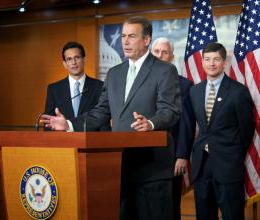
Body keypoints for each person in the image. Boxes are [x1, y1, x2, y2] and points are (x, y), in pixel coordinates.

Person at [41, 16, 181, 219]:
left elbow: (170, 110)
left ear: (146, 40)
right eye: (123, 36)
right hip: (119, 166)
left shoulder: (165, 70)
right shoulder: (115, 73)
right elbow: (100, 112)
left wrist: (151, 123)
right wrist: (69, 124)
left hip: (152, 169)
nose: (125, 41)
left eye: (131, 36)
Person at [190, 42, 255, 220]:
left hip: (228, 166)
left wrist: (231, 151)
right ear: (202, 62)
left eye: (216, 59)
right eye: (207, 59)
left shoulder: (238, 91)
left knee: (232, 215)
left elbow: (247, 129)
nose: (211, 64)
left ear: (224, 62)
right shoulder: (194, 91)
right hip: (202, 167)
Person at [151, 37, 195, 220]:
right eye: (156, 52)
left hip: (171, 156)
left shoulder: (184, 85)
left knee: (169, 208)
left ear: (171, 56)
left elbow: (186, 123)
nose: (160, 56)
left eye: (165, 52)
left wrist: (182, 155)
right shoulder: (139, 80)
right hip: (142, 155)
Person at [44, 41, 110, 131]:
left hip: (92, 142)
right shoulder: (54, 89)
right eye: (69, 59)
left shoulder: (99, 87)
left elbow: (103, 120)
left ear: (84, 59)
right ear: (64, 64)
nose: (73, 62)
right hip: (64, 142)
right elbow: (49, 123)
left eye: (77, 57)